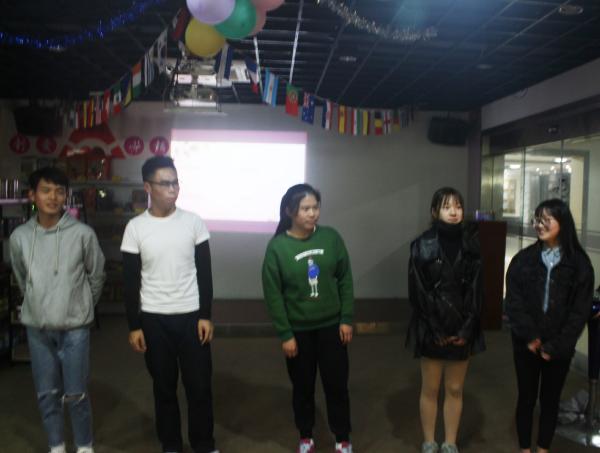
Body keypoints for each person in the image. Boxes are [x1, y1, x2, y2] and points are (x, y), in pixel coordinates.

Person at [120, 156, 218, 453]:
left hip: (191, 317)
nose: (173, 189)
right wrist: (134, 325)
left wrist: (206, 315)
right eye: (165, 183)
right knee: (163, 387)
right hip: (154, 319)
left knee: (199, 387)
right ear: (148, 187)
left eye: (175, 182)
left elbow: (205, 274)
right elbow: (130, 281)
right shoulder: (136, 228)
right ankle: (171, 444)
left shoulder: (193, 222)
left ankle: (204, 444)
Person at [9, 167, 105, 453]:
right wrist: (38, 302)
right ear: (32, 195)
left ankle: (84, 446)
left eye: (59, 191)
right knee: (47, 393)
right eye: (46, 190)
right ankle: (56, 445)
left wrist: (82, 306)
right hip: (38, 329)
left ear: (66, 196)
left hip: (75, 328)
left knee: (76, 393)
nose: (53, 197)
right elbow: (22, 277)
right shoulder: (20, 237)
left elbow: (96, 275)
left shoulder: (83, 234)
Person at [262, 183, 354, 453]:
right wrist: (285, 334)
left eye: (315, 207)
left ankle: (343, 438)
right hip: (298, 332)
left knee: (336, 385)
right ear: (290, 211)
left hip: (331, 327)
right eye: (305, 208)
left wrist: (346, 318)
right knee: (303, 387)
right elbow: (273, 294)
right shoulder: (278, 247)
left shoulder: (331, 238)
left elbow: (345, 279)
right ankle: (306, 436)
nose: (312, 213)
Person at [505, 198, 594, 453]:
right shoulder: (523, 260)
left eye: (547, 220)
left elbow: (579, 312)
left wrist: (557, 345)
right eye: (537, 220)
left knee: (550, 400)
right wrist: (530, 336)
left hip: (559, 348)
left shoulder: (579, 264)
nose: (539, 225)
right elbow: (513, 302)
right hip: (526, 345)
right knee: (526, 398)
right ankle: (525, 449)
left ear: (563, 223)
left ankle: (543, 448)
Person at [406, 187, 485, 453]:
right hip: (432, 328)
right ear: (434, 212)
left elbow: (477, 291)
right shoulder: (421, 245)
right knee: (430, 388)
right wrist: (435, 328)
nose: (453, 212)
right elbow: (417, 291)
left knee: (454, 388)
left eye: (458, 206)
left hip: (462, 327)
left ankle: (450, 442)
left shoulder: (472, 246)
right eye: (446, 206)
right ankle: (429, 441)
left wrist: (467, 328)